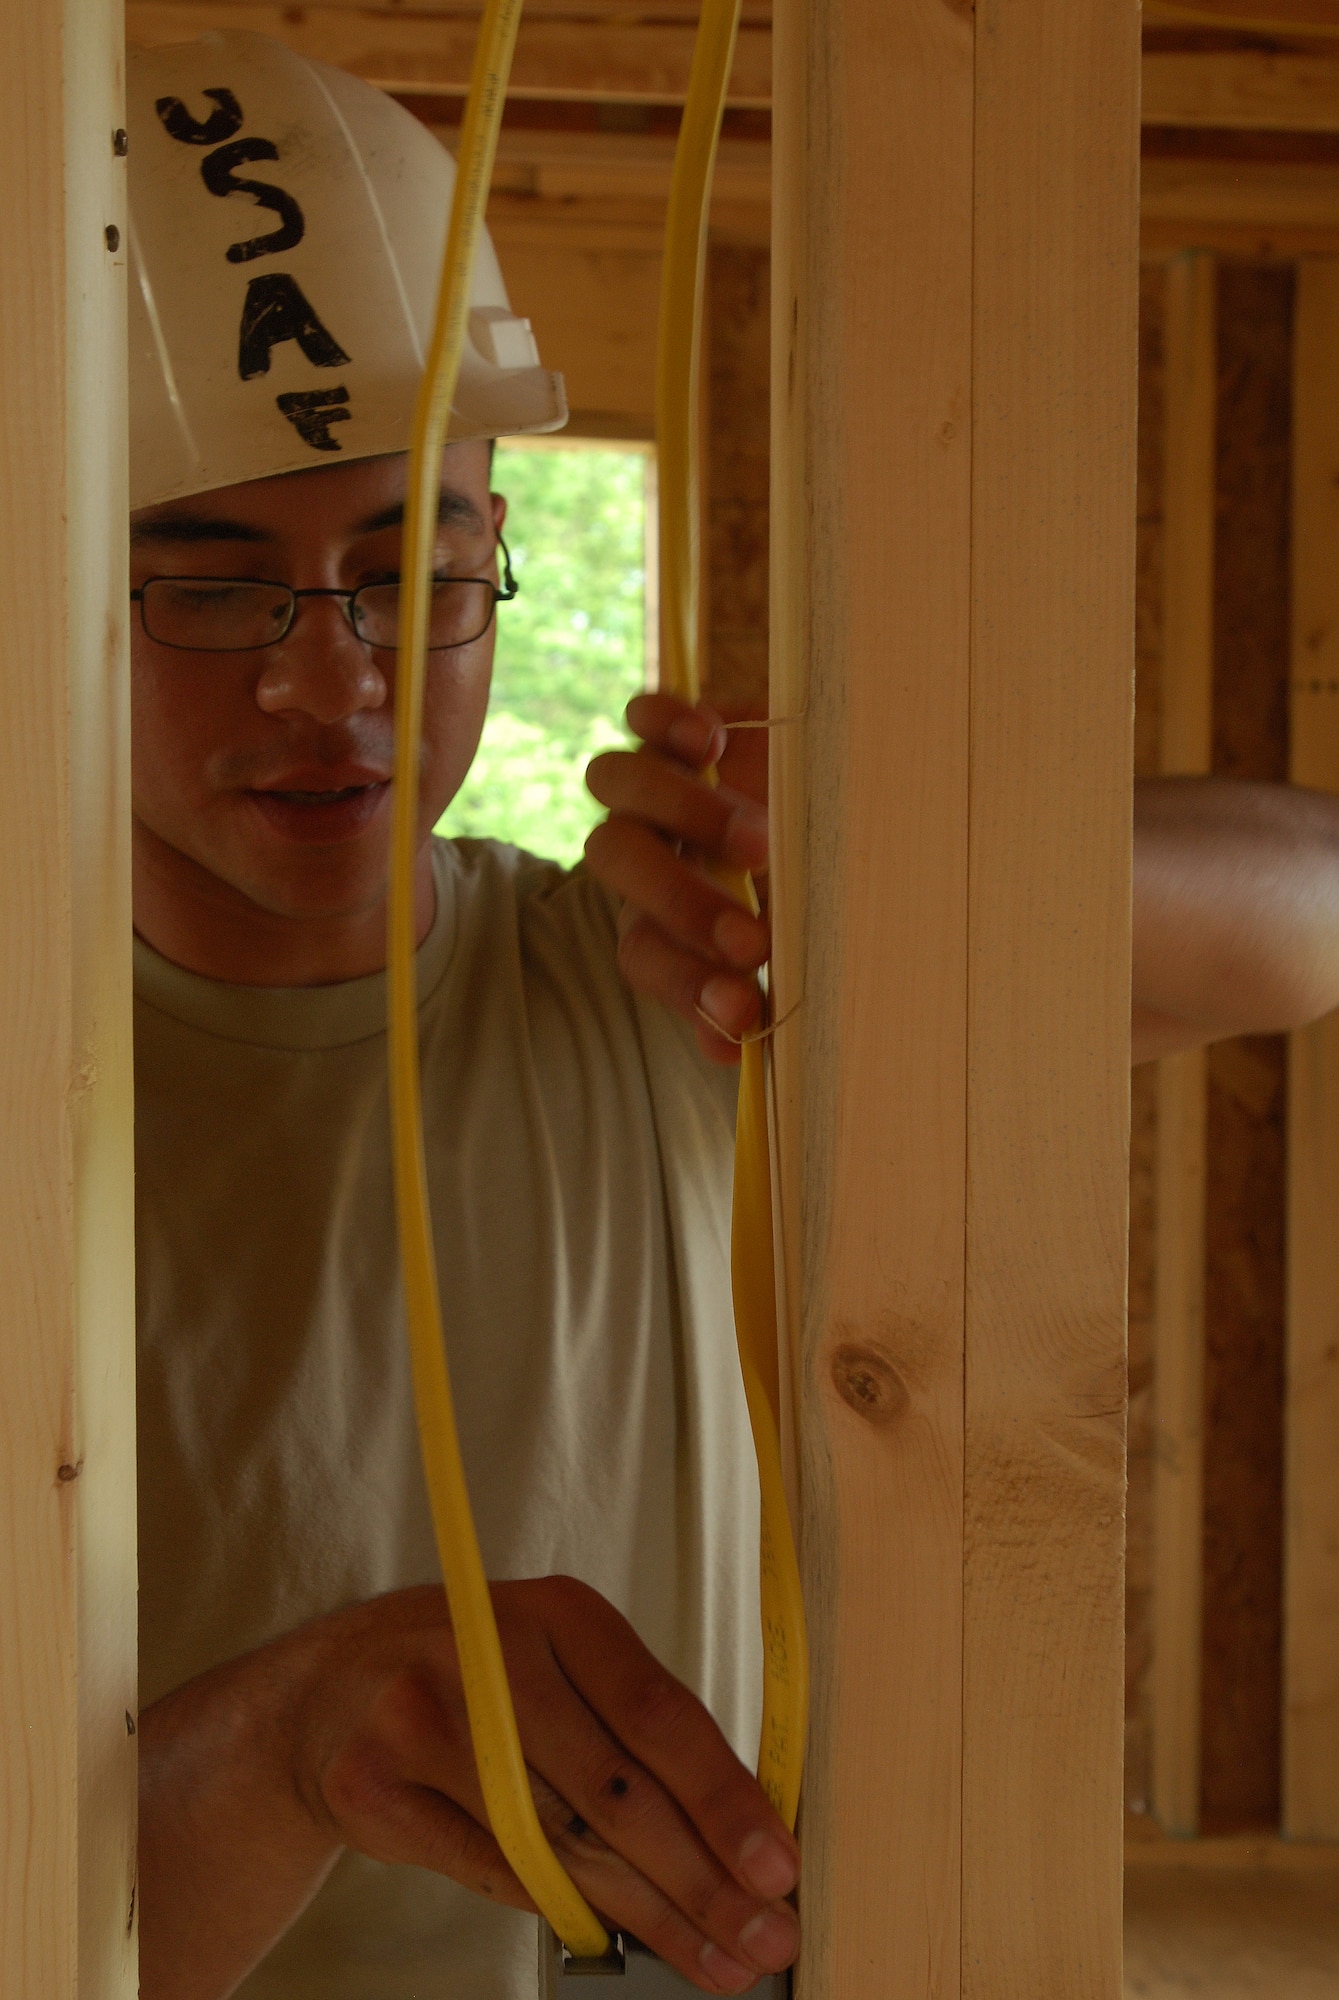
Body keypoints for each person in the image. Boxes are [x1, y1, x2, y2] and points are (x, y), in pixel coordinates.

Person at [128, 30, 1339, 2000]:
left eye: (415, 567)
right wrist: (293, 1739)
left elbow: (1309, 905)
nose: (332, 681)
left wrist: (906, 888)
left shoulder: (664, 992)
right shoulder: (35, 1110)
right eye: (211, 586)